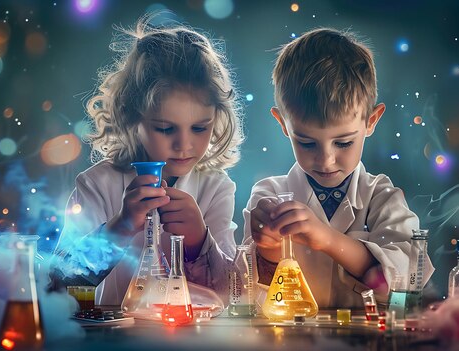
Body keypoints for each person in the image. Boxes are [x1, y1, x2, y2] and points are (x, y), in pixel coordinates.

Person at [52, 15, 244, 306]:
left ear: (217, 119)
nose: (184, 144)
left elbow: (234, 295)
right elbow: (57, 285)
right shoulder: (96, 185)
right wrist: (120, 227)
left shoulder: (217, 188)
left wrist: (198, 241)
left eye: (199, 127)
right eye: (166, 129)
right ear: (132, 118)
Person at [243, 28, 434, 308]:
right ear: (283, 124)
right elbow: (244, 289)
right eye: (307, 143)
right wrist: (269, 249)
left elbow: (406, 283)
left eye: (343, 143)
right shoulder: (270, 194)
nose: (325, 160)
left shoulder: (382, 197)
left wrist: (329, 240)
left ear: (371, 121)